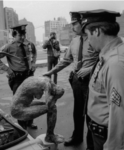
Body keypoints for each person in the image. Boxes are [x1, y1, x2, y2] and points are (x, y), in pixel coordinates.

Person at [43, 12, 99, 149]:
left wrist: (90, 68)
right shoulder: (74, 41)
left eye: (74, 23)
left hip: (91, 81)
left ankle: (91, 144)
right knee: (78, 111)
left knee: (91, 113)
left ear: (83, 23)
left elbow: (104, 59)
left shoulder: (94, 38)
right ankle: (77, 136)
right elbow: (66, 61)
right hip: (76, 81)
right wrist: (50, 72)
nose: (72, 26)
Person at [81, 9, 124, 150]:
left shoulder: (115, 63)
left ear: (97, 31)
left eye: (87, 35)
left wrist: (113, 146)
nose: (88, 41)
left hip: (105, 137)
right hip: (97, 131)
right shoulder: (107, 54)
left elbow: (119, 114)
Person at [0, 24, 37, 130]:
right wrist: (8, 70)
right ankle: (22, 126)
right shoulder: (9, 47)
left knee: (30, 100)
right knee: (19, 102)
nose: (22, 37)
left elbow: (34, 53)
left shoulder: (29, 44)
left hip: (29, 76)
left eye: (24, 34)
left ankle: (29, 121)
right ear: (14, 34)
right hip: (17, 78)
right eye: (20, 35)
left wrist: (33, 63)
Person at [11, 76, 65, 144]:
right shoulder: (46, 85)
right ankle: (50, 136)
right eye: (54, 95)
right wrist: (54, 98)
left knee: (45, 105)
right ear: (53, 91)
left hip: (20, 105)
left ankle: (49, 134)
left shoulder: (46, 80)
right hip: (18, 110)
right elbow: (44, 100)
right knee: (53, 109)